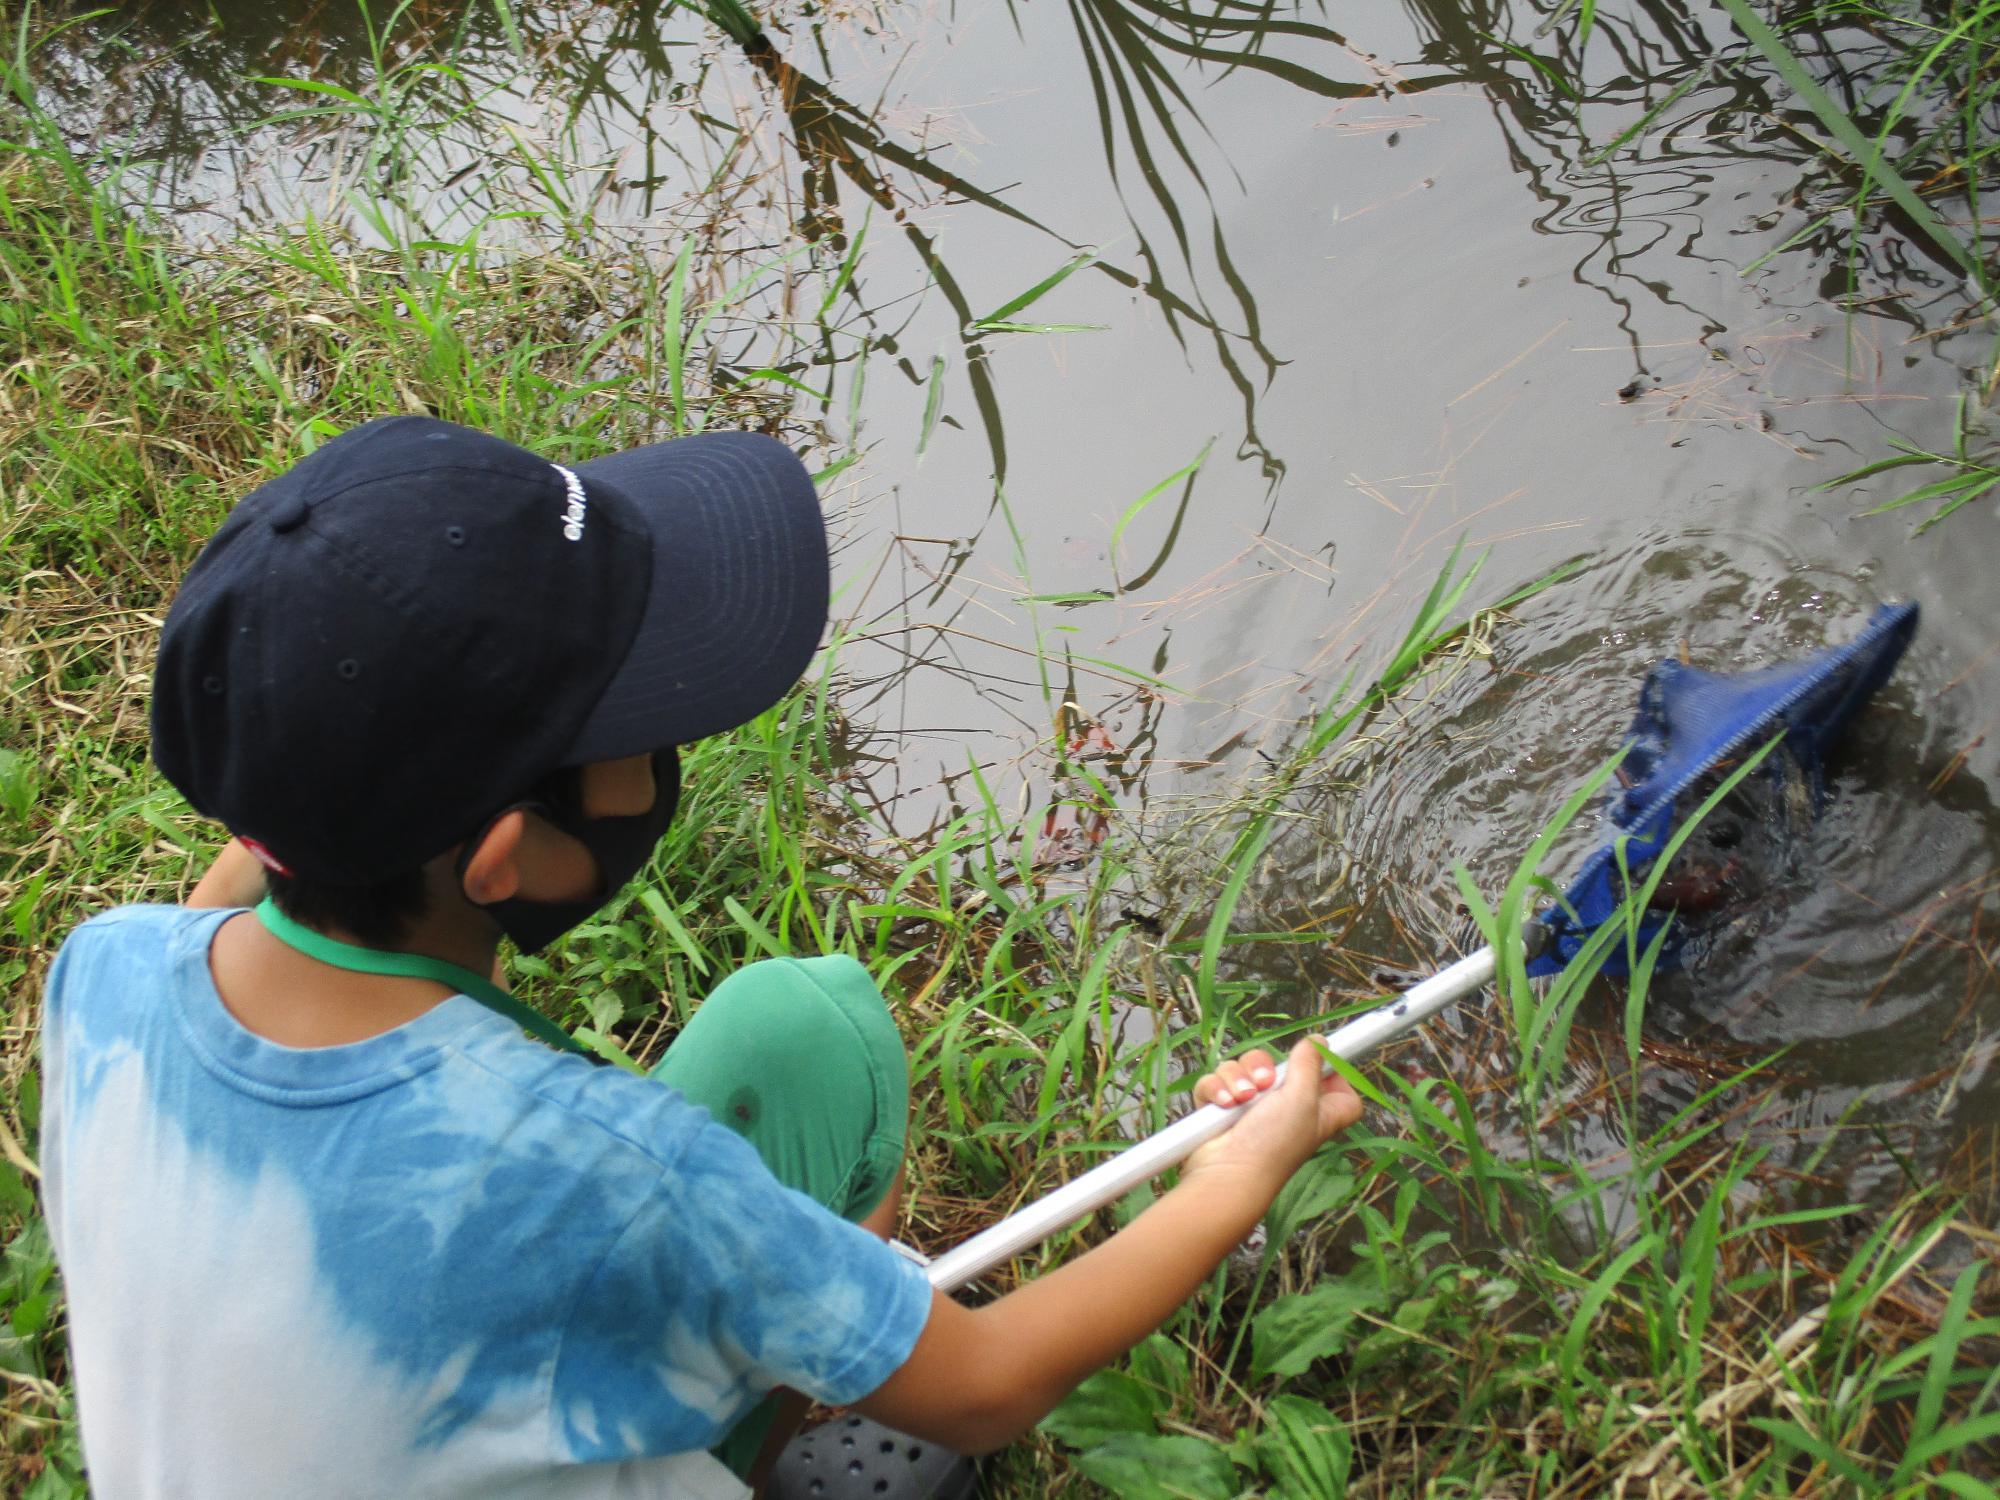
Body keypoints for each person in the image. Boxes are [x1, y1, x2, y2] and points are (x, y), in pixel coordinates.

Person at [39, 416, 1363, 1499]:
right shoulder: (614, 1175)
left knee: (794, 1032)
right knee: (826, 1043)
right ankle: (801, 1395)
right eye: (636, 722)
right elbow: (987, 1386)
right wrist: (1234, 1174)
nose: (662, 747)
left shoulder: (101, 973)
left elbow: (258, 863)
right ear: (504, 858)